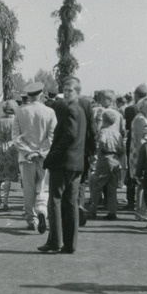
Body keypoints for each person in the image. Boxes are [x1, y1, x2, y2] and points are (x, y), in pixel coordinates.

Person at [40, 76, 87, 254]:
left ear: (77, 92)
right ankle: (69, 244)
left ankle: (55, 241)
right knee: (71, 203)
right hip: (76, 164)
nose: (67, 93)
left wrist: (51, 158)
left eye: (70, 90)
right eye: (65, 90)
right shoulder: (80, 109)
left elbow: (69, 136)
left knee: (55, 201)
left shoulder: (71, 110)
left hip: (63, 164)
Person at [13, 82, 57, 233]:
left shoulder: (20, 111)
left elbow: (16, 137)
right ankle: (42, 212)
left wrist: (28, 152)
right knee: (44, 187)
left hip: (26, 158)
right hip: (44, 157)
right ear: (41, 94)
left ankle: (31, 219)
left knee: (29, 188)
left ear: (28, 95)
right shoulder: (50, 112)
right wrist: (41, 151)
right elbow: (52, 136)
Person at [86, 109, 125, 221]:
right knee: (112, 189)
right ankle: (112, 211)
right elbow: (122, 149)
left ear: (103, 120)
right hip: (115, 159)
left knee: (97, 185)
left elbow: (101, 142)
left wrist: (97, 152)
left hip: (105, 159)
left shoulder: (104, 131)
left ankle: (93, 210)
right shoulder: (117, 133)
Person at [129, 95, 147, 221]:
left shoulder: (145, 117)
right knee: (141, 183)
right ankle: (140, 211)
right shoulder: (140, 118)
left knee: (143, 183)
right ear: (142, 106)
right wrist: (146, 154)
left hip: (143, 151)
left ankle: (141, 211)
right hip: (140, 152)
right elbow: (138, 139)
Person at [0, 100, 20, 210]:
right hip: (12, 150)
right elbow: (18, 137)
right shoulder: (16, 122)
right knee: (8, 176)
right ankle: (6, 201)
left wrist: (0, 138)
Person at [124, 84, 147, 211]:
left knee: (131, 171)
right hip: (145, 143)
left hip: (133, 143)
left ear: (136, 95)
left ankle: (130, 200)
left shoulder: (130, 109)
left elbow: (128, 127)